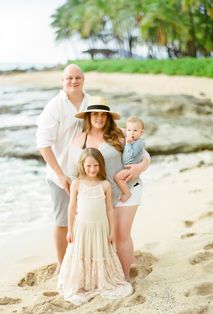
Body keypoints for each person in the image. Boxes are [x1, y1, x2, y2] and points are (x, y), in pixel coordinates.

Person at [68, 96, 150, 281]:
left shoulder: (120, 134)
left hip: (128, 191)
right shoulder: (78, 142)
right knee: (103, 238)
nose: (99, 118)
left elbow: (146, 156)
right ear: (88, 116)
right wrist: (79, 203)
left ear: (108, 117)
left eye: (103, 114)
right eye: (95, 114)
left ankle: (125, 278)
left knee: (121, 234)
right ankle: (107, 274)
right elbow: (74, 175)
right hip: (98, 198)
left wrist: (139, 168)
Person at [57, 147, 132, 305]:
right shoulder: (77, 183)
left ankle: (100, 281)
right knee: (82, 254)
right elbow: (71, 207)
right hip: (82, 228)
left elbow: (109, 209)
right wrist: (70, 230)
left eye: (96, 165)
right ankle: (84, 282)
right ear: (82, 165)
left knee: (99, 253)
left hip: (100, 228)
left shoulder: (105, 185)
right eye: (89, 165)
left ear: (101, 166)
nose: (92, 169)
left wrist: (112, 231)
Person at [36, 64, 90, 273]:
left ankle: (80, 259)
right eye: (69, 78)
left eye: (77, 77)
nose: (73, 81)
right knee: (62, 222)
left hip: (87, 175)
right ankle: (61, 264)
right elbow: (43, 144)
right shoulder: (55, 106)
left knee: (85, 219)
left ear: (83, 79)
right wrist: (60, 175)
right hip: (61, 176)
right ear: (62, 80)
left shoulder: (90, 101)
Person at [114, 116, 145, 202]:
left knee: (117, 177)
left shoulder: (139, 143)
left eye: (135, 130)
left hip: (130, 168)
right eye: (129, 130)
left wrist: (127, 143)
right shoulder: (132, 141)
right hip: (127, 166)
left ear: (141, 132)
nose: (132, 133)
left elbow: (131, 154)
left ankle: (127, 193)